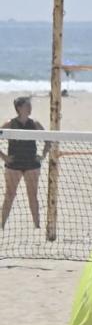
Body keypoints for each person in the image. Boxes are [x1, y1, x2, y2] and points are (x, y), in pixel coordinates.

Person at [0, 96, 49, 229]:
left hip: (31, 165)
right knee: (9, 195)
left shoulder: (35, 124)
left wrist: (43, 155)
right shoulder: (10, 123)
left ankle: (37, 226)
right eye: (27, 105)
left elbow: (48, 139)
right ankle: (2, 225)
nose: (30, 108)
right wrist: (4, 157)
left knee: (32, 196)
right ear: (19, 108)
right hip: (13, 165)